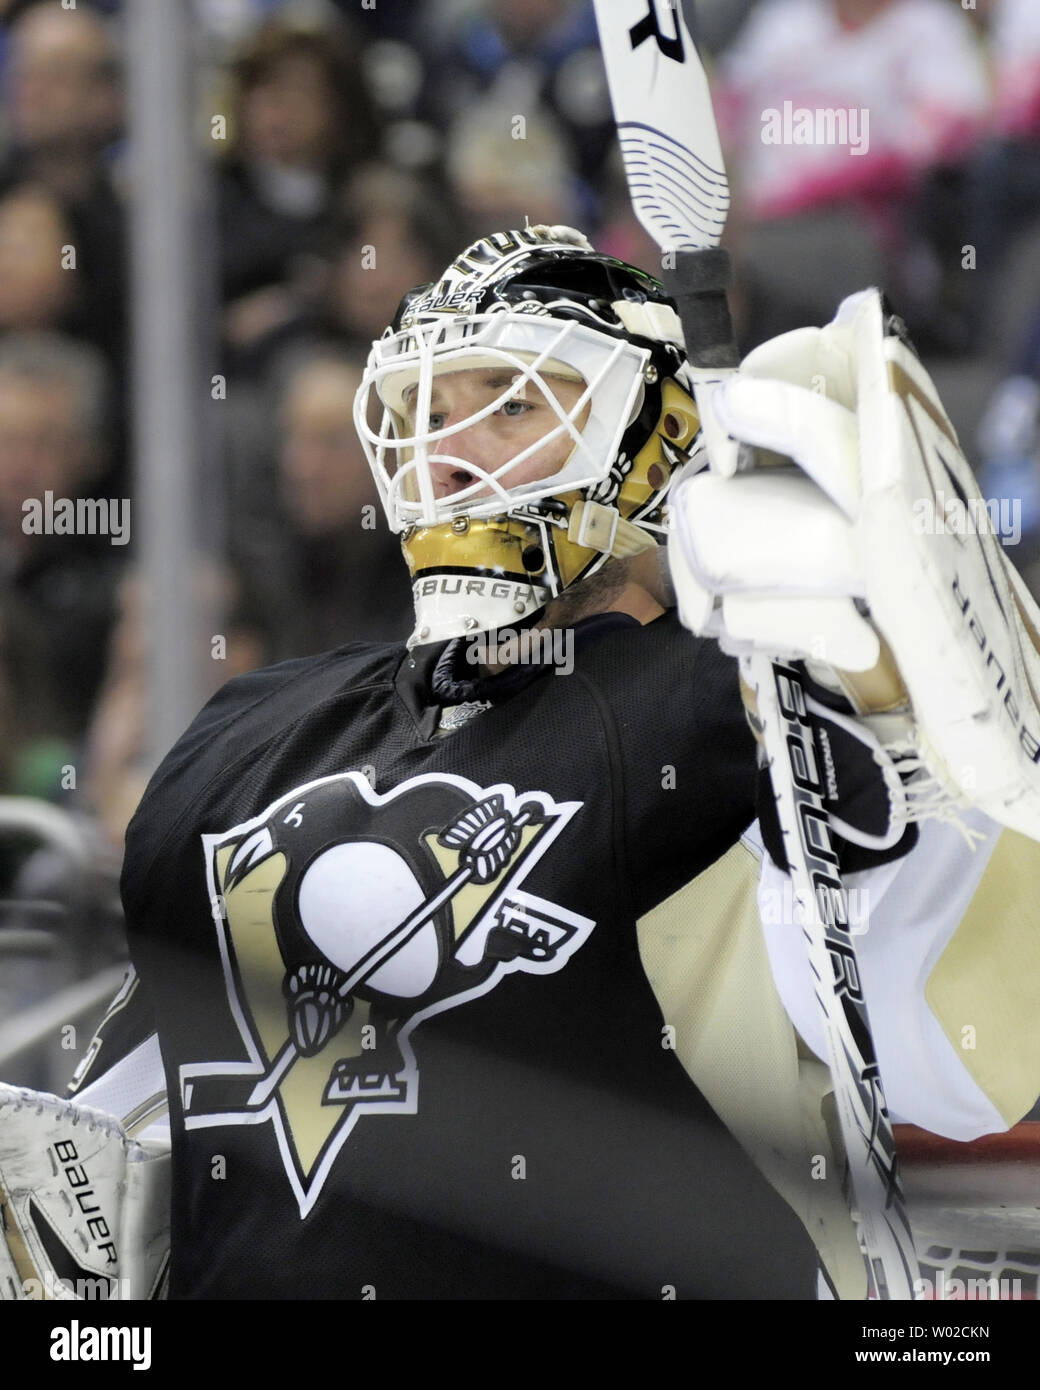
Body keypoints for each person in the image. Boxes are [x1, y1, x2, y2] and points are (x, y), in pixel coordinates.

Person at [3, 224, 1040, 1302]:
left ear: (659, 439)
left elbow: (950, 1061)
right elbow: (114, 1147)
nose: (446, 452)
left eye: (509, 405)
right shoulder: (248, 728)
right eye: (424, 414)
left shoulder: (744, 700)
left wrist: (869, 678)